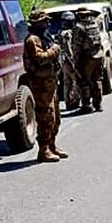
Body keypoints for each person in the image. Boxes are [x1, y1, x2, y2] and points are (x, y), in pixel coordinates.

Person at [23, 10, 68, 162]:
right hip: (40, 85)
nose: (47, 23)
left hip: (50, 82)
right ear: (36, 23)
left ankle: (52, 145)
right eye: (44, 21)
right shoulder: (32, 40)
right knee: (45, 117)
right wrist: (53, 50)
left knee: (55, 117)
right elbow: (39, 58)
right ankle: (43, 150)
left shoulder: (44, 36)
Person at [72, 7, 104, 113]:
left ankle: (86, 105)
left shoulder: (79, 27)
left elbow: (76, 46)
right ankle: (98, 104)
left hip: (87, 58)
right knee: (97, 80)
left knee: (84, 82)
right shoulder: (94, 25)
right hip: (98, 56)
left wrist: (75, 62)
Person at [56, 11, 81, 110]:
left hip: (64, 61)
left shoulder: (60, 32)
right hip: (68, 61)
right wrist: (73, 61)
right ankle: (73, 101)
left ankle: (69, 101)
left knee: (67, 81)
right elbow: (68, 49)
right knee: (74, 81)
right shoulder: (67, 34)